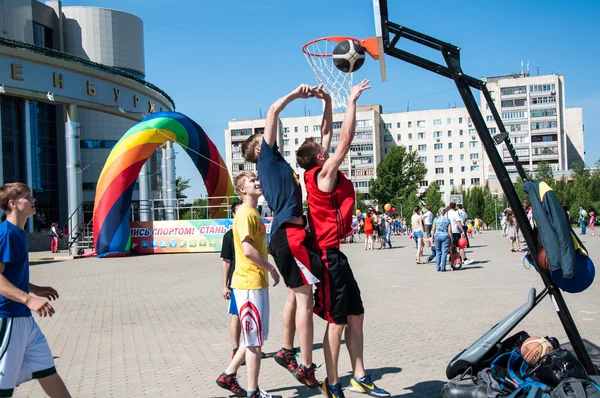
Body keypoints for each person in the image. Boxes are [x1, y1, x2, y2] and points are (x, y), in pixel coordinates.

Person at [296, 80, 389, 398]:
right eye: (322, 148)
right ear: (319, 158)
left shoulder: (316, 169)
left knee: (355, 315)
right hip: (327, 257)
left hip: (337, 255)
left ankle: (359, 376)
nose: (326, 146)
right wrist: (350, 102)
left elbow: (327, 135)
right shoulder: (322, 175)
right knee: (336, 322)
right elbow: (345, 139)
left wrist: (326, 102)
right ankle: (332, 383)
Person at [240, 84, 322, 388]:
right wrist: (295, 95)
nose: (272, 136)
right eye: (265, 137)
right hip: (289, 234)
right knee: (306, 300)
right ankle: (306, 365)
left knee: (293, 294)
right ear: (259, 147)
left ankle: (287, 351)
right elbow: (273, 111)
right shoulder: (267, 159)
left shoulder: (275, 165)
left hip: (286, 234)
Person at [0, 183, 71, 398]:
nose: (33, 200)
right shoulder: (6, 234)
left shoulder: (18, 233)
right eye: (27, 197)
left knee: (47, 371)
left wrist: (35, 289)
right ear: (13, 204)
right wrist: (28, 299)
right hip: (9, 318)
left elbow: (11, 274)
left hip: (24, 320)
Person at [216, 172, 280, 398]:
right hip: (248, 283)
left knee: (254, 337)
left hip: (256, 283)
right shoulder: (244, 213)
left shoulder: (254, 213)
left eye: (257, 179)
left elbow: (261, 247)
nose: (257, 182)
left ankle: (228, 375)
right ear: (242, 190)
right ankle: (253, 392)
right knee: (254, 342)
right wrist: (270, 268)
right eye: (251, 181)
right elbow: (248, 251)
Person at [220, 200, 242, 359]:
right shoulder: (229, 236)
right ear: (234, 215)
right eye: (238, 212)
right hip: (236, 282)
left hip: (254, 281)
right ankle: (236, 350)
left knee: (252, 316)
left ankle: (251, 348)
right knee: (237, 315)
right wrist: (224, 286)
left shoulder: (254, 232)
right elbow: (226, 262)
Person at [431, 207, 453, 272]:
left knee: (438, 252)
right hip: (445, 236)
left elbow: (433, 229)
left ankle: (438, 267)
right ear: (444, 212)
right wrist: (451, 239)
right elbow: (450, 231)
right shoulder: (447, 220)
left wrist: (432, 237)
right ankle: (443, 267)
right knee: (444, 252)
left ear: (439, 212)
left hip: (437, 236)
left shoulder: (436, 219)